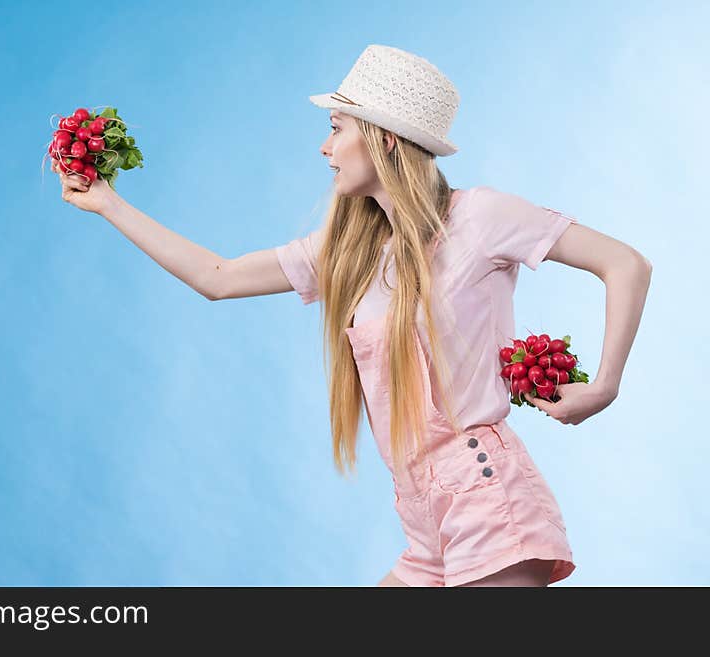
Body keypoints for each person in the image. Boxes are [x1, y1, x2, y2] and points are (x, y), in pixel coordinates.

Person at [52, 45, 652, 587]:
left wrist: (603, 386)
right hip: (422, 519)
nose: (324, 147)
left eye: (336, 128)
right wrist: (107, 203)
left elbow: (625, 264)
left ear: (384, 137)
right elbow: (219, 278)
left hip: (485, 500)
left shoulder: (481, 217)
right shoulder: (352, 252)